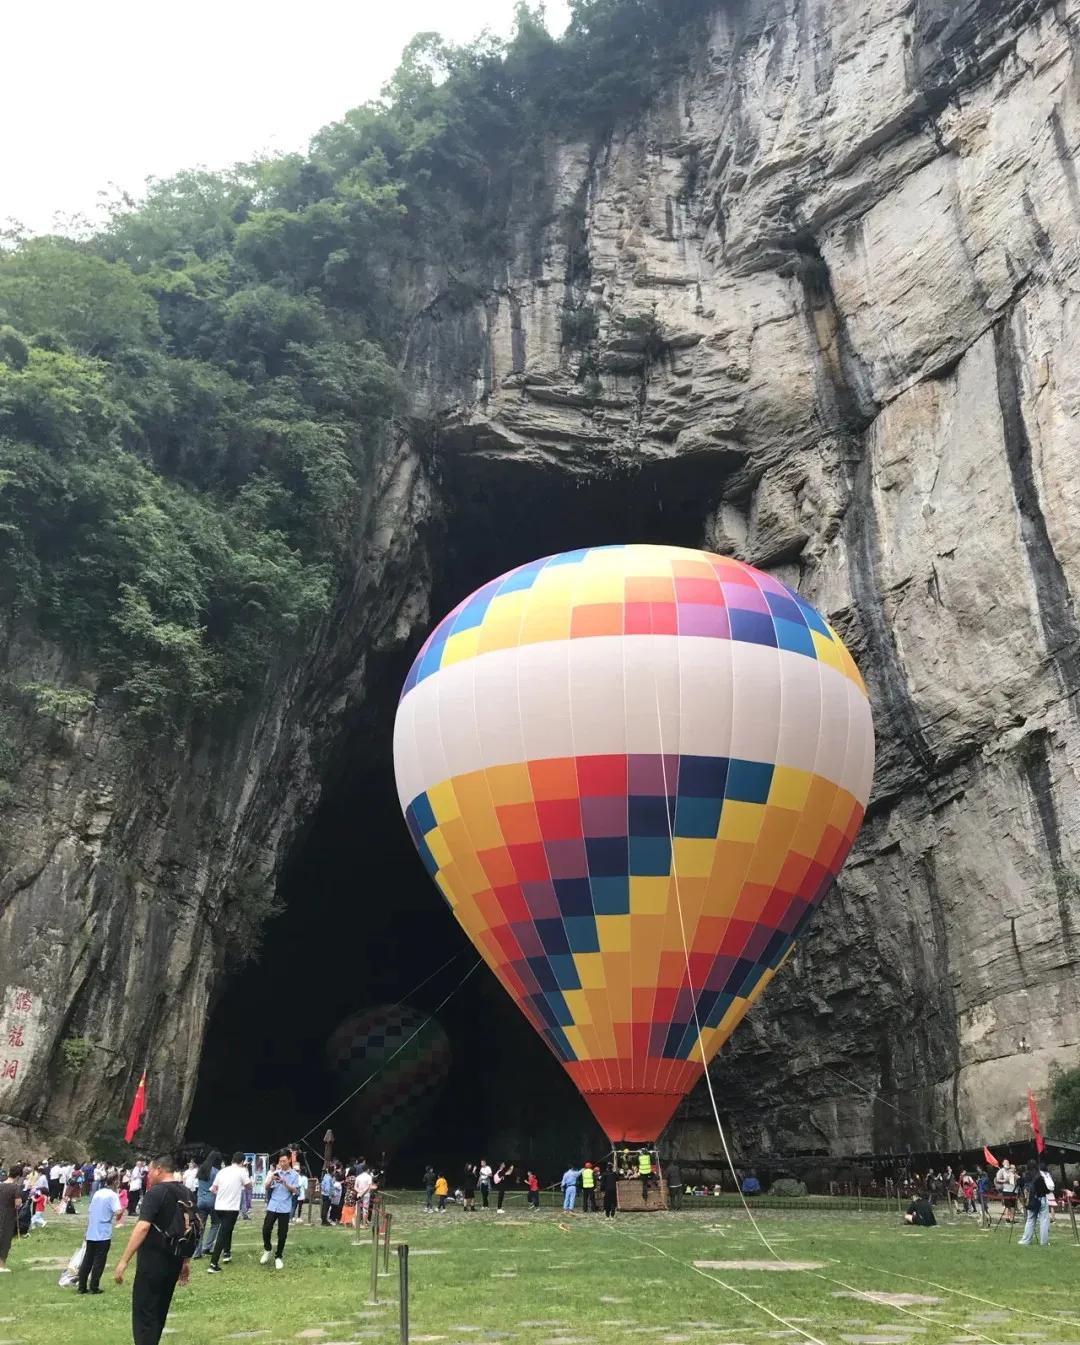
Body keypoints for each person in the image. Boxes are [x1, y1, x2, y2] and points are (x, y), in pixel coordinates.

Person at [114, 1155, 190, 1345]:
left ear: (158, 1170)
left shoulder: (156, 1193)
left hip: (153, 1261)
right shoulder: (187, 1193)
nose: (148, 1175)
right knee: (159, 1311)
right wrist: (185, 1261)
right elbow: (190, 1228)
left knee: (144, 1312)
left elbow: (142, 1227)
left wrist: (124, 1261)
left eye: (149, 1171)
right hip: (174, 1259)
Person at [79, 1172, 122, 1294]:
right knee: (99, 1261)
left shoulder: (97, 1193)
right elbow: (118, 1211)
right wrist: (118, 1214)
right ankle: (94, 1286)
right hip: (103, 1233)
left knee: (88, 1259)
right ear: (114, 1182)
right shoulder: (112, 1195)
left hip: (92, 1231)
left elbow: (91, 1211)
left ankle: (82, 1286)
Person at [207, 1152, 250, 1273]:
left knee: (227, 1229)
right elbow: (249, 1186)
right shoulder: (241, 1171)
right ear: (242, 1162)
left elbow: (213, 1189)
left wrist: (222, 1194)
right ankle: (213, 1263)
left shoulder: (222, 1171)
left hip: (219, 1206)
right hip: (231, 1208)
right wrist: (246, 1172)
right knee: (223, 1233)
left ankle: (227, 1253)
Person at [261, 1153, 299, 1270]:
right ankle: (267, 1249)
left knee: (282, 1234)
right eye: (280, 1161)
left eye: (284, 1161)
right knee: (266, 1229)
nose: (282, 1163)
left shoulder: (294, 1175)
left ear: (289, 1161)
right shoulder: (275, 1172)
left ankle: (278, 1256)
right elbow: (266, 1187)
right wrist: (270, 1180)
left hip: (284, 1207)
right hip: (272, 1205)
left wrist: (284, 1182)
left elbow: (295, 1191)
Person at [192, 1151, 221, 1258]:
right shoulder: (217, 1172)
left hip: (201, 1201)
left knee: (200, 1227)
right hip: (213, 1201)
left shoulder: (201, 1169)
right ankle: (207, 1246)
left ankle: (197, 1252)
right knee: (216, 1223)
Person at [1019, 1161, 1050, 1247]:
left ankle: (1026, 1240)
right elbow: (1046, 1190)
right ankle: (1044, 1242)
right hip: (1041, 1199)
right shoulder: (1039, 1176)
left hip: (1030, 1200)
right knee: (1043, 1221)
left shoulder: (1025, 1177)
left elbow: (1021, 1187)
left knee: (1030, 1220)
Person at [0, 1165, 23, 1273]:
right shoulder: (15, 1187)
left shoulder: (1, 1185)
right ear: (18, 1176)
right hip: (8, 1215)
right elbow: (17, 1204)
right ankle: (2, 1265)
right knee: (5, 1239)